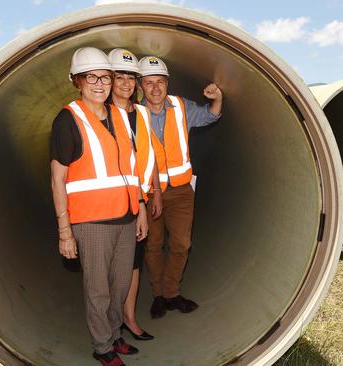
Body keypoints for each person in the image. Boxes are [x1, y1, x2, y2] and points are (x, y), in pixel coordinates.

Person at [50, 46, 147, 366]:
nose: (99, 83)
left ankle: (115, 333)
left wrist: (141, 208)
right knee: (98, 288)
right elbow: (57, 179)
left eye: (105, 76)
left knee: (120, 283)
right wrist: (65, 230)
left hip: (127, 215)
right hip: (91, 220)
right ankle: (102, 346)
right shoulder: (69, 118)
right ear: (76, 81)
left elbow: (132, 167)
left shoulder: (121, 115)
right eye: (89, 77)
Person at [137, 55, 223, 319]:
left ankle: (172, 292)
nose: (155, 88)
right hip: (150, 193)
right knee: (153, 245)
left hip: (182, 191)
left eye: (160, 82)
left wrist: (217, 98)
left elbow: (210, 116)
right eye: (149, 83)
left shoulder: (180, 107)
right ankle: (158, 295)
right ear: (140, 86)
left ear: (167, 84)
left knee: (181, 244)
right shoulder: (132, 115)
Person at [106, 48, 162, 341]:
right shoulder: (102, 114)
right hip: (115, 200)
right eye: (120, 77)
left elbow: (148, 154)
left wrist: (155, 192)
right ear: (110, 80)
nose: (126, 83)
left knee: (135, 262)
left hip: (140, 198)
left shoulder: (140, 112)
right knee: (114, 265)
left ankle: (129, 318)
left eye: (131, 77)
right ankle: (111, 324)